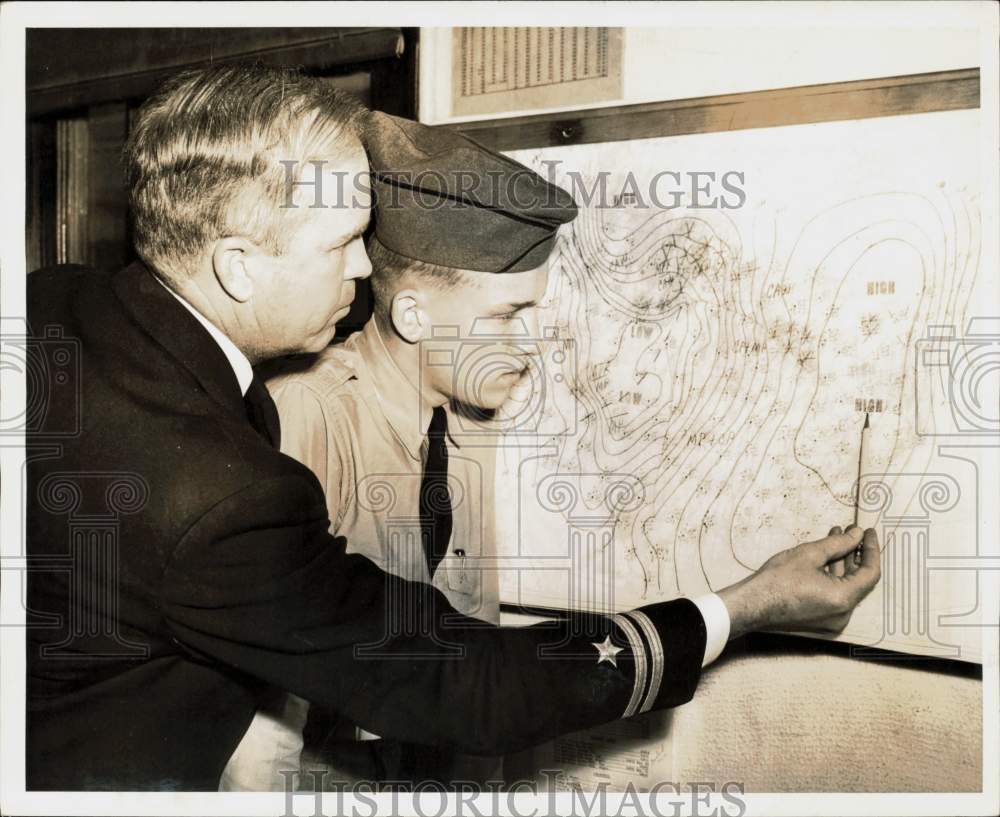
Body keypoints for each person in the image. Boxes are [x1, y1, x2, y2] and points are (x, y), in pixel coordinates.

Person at [26, 65, 881, 792]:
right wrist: (752, 604)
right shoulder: (227, 496)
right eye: (345, 243)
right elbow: (465, 684)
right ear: (238, 266)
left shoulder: (52, 303)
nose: (364, 268)